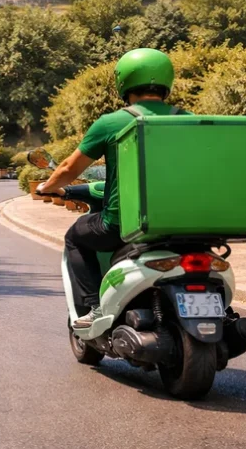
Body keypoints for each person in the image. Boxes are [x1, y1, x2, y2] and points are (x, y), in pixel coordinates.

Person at [37, 48, 187, 328]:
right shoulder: (189, 120)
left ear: (124, 81)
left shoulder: (112, 122)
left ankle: (94, 306)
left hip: (123, 225)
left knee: (76, 237)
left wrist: (48, 186)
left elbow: (69, 168)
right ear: (167, 80)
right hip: (184, 223)